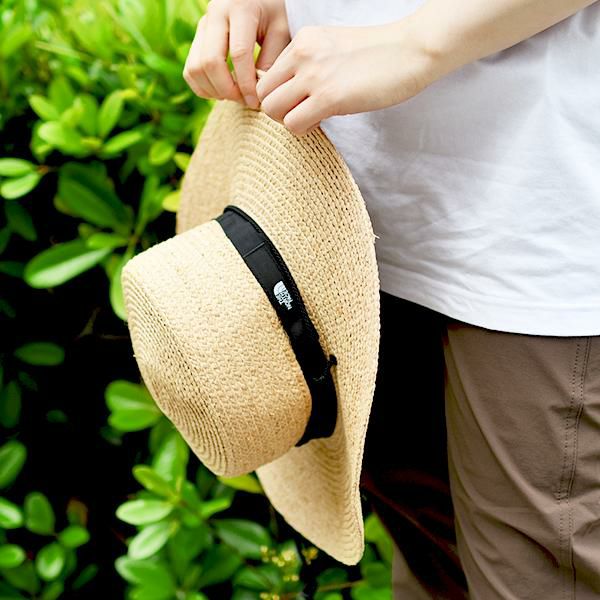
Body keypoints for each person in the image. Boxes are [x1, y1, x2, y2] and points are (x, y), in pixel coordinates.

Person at [182, 1, 600, 597]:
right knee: (429, 569)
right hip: (343, 213)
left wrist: (416, 42)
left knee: (529, 577)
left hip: (526, 221)